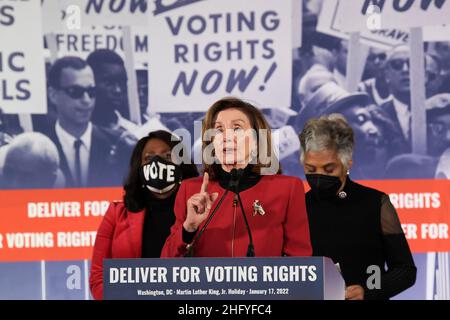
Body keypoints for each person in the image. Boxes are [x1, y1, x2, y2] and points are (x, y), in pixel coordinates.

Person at [161, 97, 312, 258]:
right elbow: (167, 266)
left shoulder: (287, 189)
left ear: (256, 140)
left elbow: (300, 262)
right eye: (218, 130)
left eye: (237, 128)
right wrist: (188, 229)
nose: (226, 136)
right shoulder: (190, 190)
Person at [299, 114, 416, 300]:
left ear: (347, 164)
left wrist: (367, 291)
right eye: (310, 170)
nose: (319, 176)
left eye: (329, 169)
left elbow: (404, 271)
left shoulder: (376, 203)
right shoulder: (296, 208)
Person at [89, 130, 198, 300]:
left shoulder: (201, 212)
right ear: (138, 168)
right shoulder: (116, 213)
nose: (157, 163)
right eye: (148, 158)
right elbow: (98, 278)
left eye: (167, 156)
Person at [47, 56, 126, 187]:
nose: (86, 100)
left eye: (91, 92)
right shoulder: (38, 150)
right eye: (75, 92)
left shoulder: (120, 145)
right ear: (53, 95)